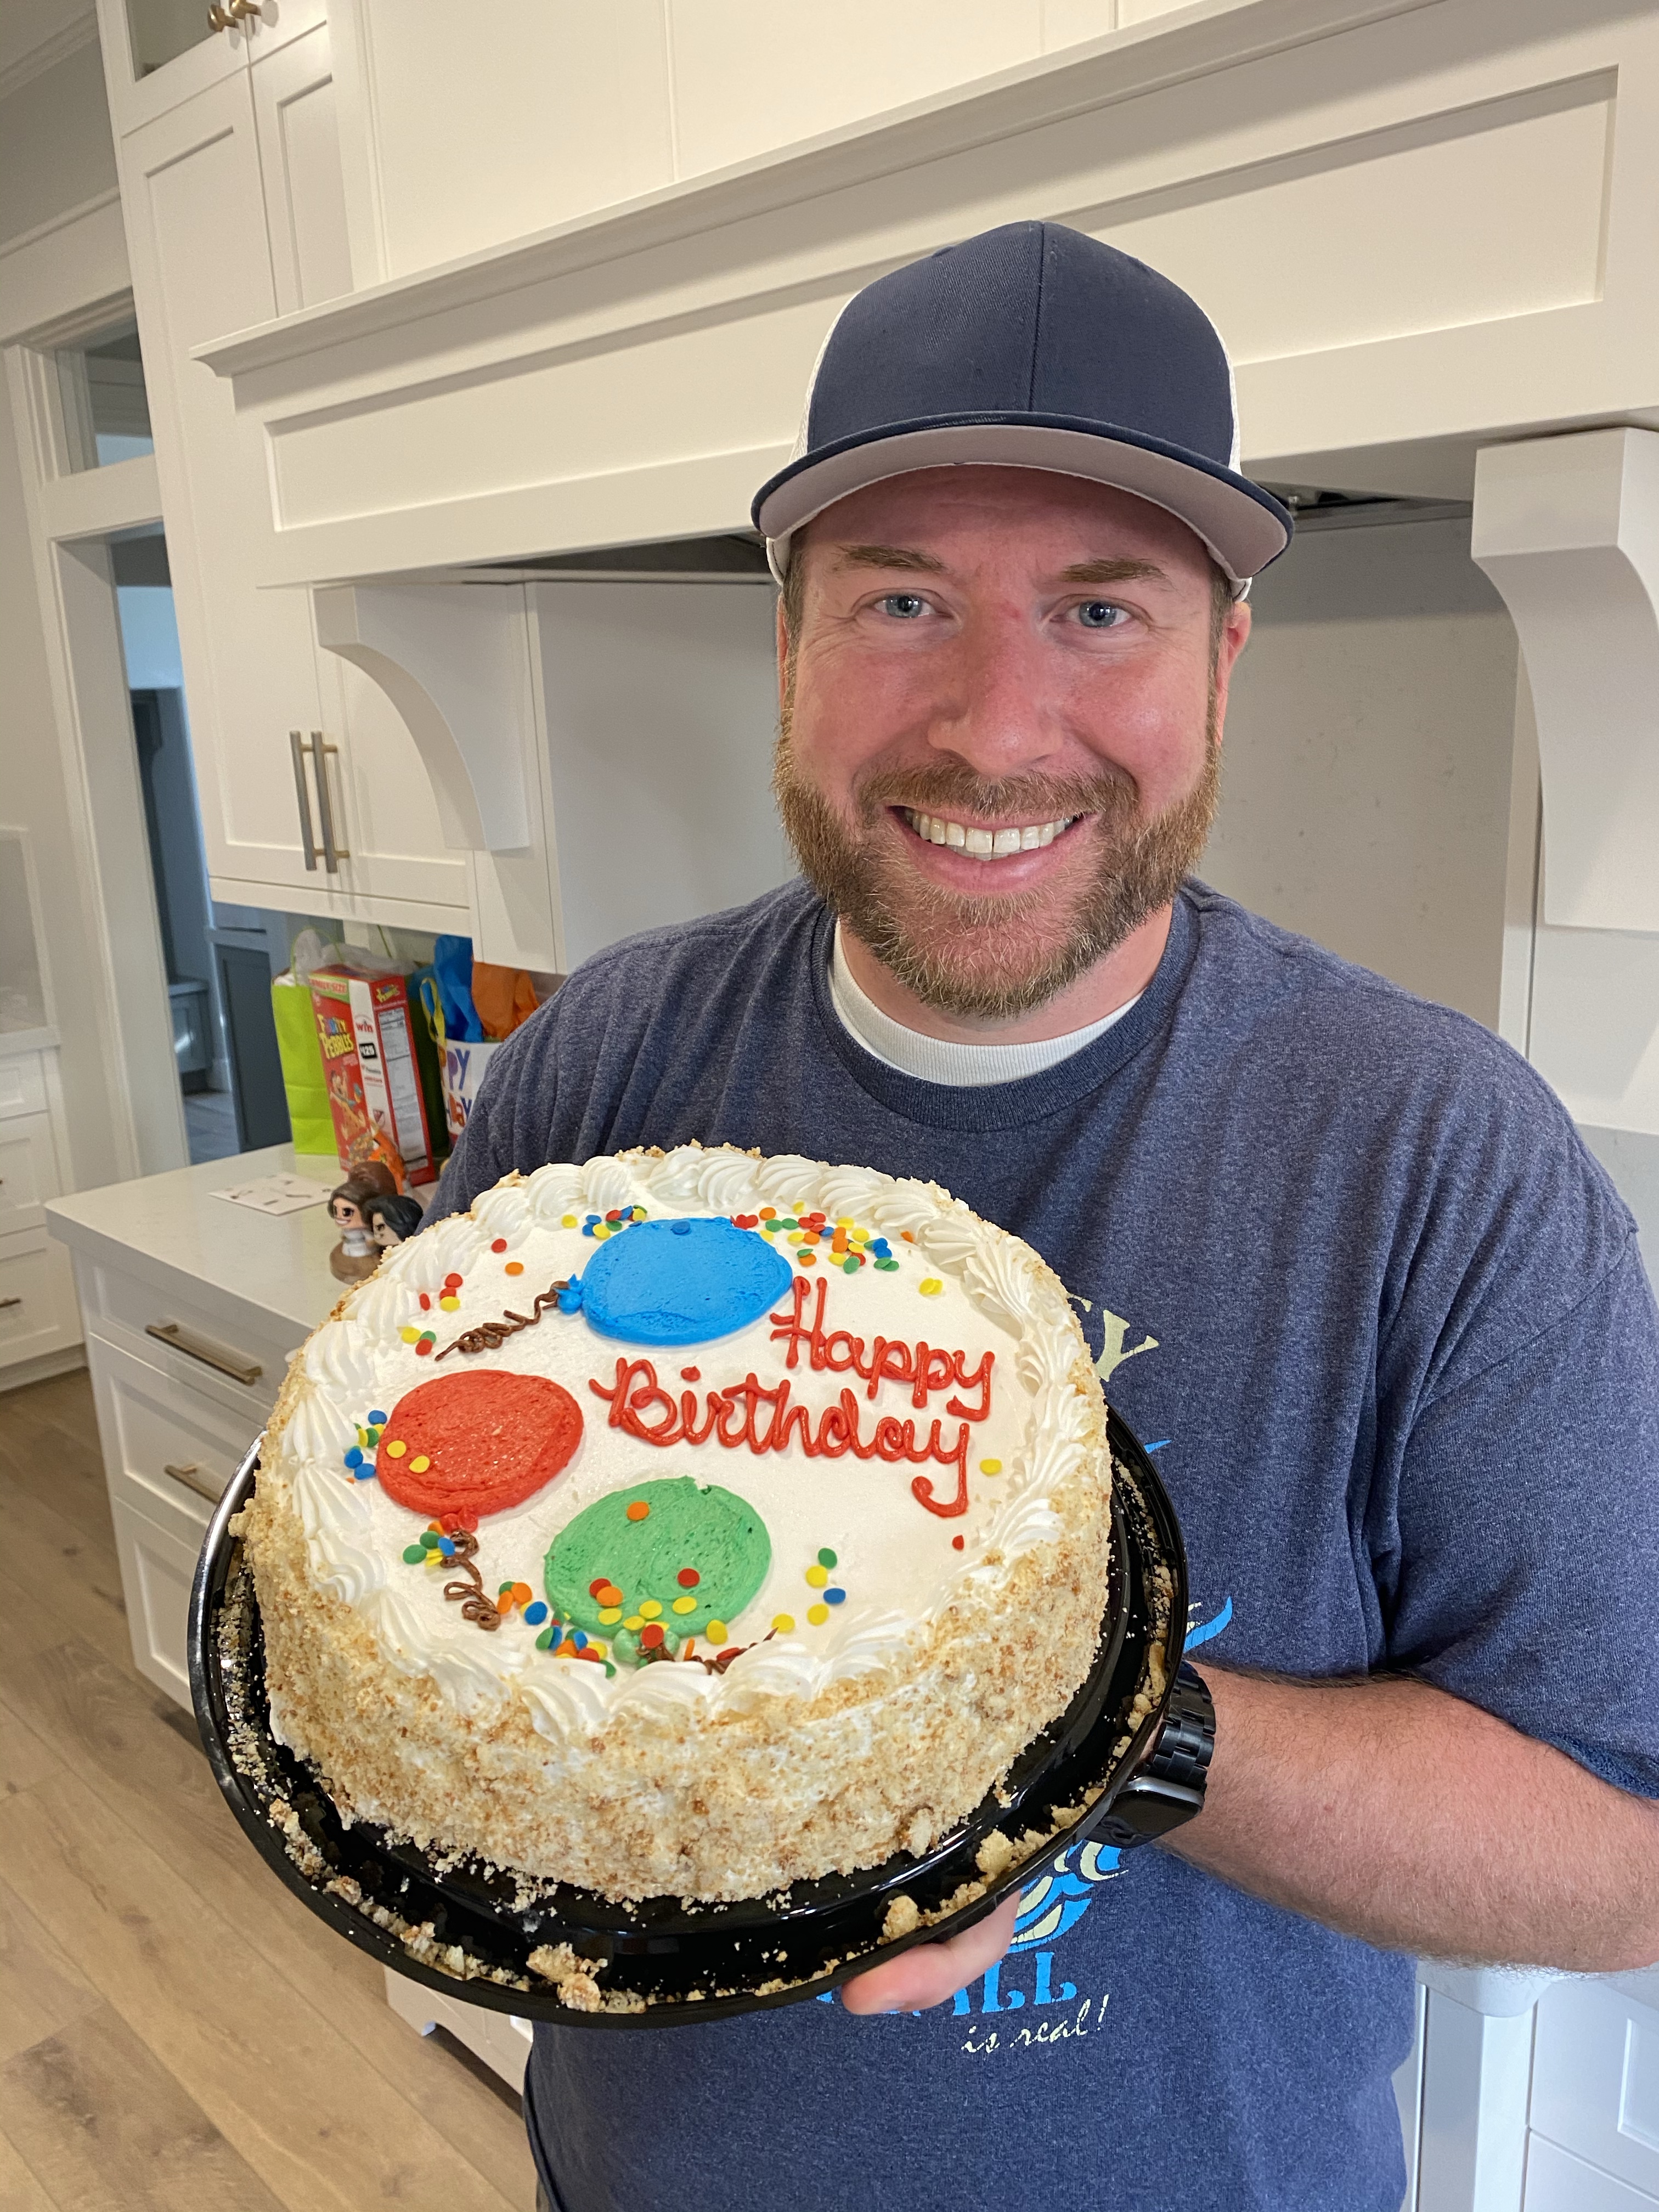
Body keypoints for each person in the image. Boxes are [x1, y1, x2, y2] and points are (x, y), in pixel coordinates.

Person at [431, 224, 1659, 2212]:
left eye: (1101, 610)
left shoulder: (1437, 1162)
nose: (998, 729)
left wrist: (1091, 1725)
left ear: (1223, 664)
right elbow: (428, 1569)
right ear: (789, 647)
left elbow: (1621, 1862)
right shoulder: (603, 1066)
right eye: (904, 599)